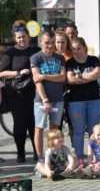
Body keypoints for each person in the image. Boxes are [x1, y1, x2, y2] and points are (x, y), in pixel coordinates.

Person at [0, 21, 40, 162]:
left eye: (24, 36)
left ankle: (37, 152)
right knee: (20, 124)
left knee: (34, 123)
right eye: (19, 37)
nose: (21, 39)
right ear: (14, 38)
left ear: (29, 37)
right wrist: (18, 72)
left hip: (34, 93)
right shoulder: (10, 53)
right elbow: (1, 73)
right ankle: (21, 153)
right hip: (17, 94)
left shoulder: (36, 50)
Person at [66, 37, 100, 168]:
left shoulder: (93, 60)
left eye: (78, 49)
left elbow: (96, 74)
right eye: (73, 49)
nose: (76, 51)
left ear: (84, 48)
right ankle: (80, 158)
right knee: (78, 131)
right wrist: (88, 78)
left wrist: (80, 77)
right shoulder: (70, 63)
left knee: (94, 131)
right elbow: (70, 79)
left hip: (94, 100)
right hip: (75, 102)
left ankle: (95, 157)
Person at [31, 30, 66, 162]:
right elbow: (37, 81)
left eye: (52, 43)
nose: (50, 46)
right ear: (41, 42)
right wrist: (45, 100)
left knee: (54, 130)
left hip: (58, 99)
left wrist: (44, 76)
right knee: (39, 129)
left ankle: (53, 155)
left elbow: (62, 77)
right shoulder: (36, 58)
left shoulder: (60, 58)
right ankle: (40, 158)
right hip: (41, 100)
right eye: (47, 43)